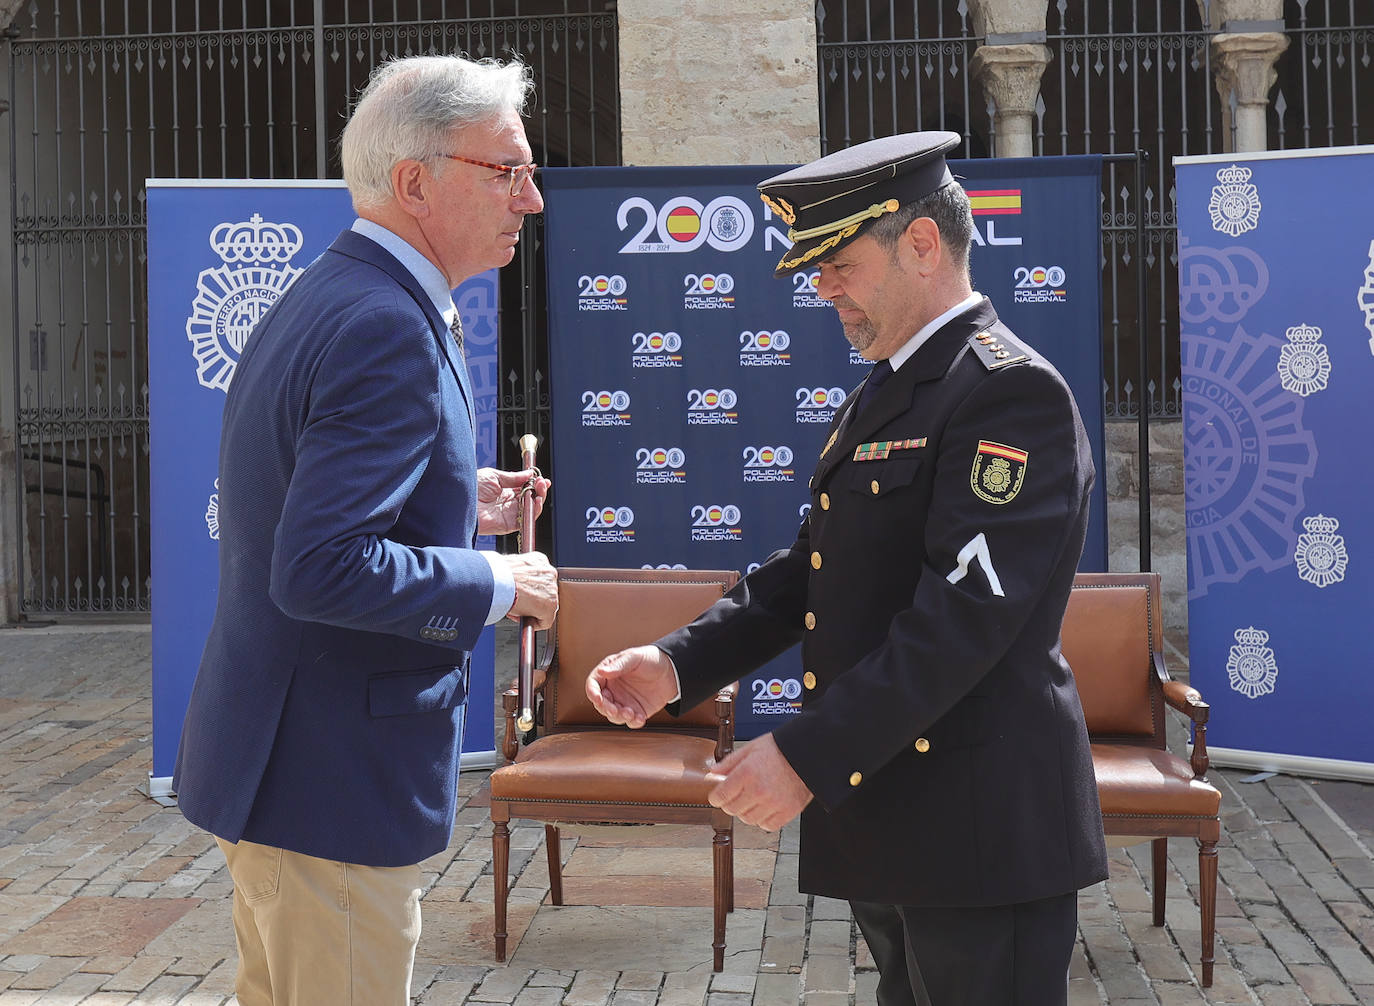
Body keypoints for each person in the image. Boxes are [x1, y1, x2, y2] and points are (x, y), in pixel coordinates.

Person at [586, 131, 1108, 1006]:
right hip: (890, 815)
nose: (822, 286)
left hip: (979, 829)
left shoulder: (1009, 392)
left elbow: (959, 623)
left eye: (839, 263)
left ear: (922, 244)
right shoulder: (892, 385)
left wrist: (802, 753)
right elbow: (815, 571)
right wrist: (678, 663)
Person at [172, 54, 558, 1006]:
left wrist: (456, 498)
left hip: (286, 768)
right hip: (326, 789)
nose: (532, 198)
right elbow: (321, 566)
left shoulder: (337, 292)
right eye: (507, 171)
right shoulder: (383, 322)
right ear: (416, 182)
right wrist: (504, 583)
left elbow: (295, 493)